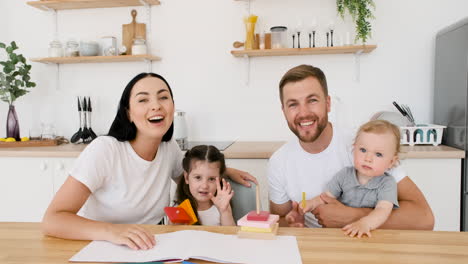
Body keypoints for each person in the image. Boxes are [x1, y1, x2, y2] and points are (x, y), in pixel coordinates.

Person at [42, 73, 256, 250]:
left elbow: (196, 173)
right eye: (143, 100)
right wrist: (112, 231)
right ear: (128, 113)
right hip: (99, 247)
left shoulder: (168, 148)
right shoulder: (105, 150)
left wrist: (227, 171)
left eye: (163, 97)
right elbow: (54, 219)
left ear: (172, 106)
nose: (156, 106)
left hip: (148, 248)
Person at [268, 64, 434, 230]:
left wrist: (351, 216)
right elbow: (280, 219)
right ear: (283, 111)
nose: (303, 113)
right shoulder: (279, 162)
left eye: (312, 100)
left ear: (328, 103)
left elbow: (424, 219)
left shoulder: (365, 145)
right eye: (293, 104)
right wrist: (292, 223)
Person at [301, 120, 400, 238]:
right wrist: (310, 203)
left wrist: (365, 223)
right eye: (363, 150)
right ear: (354, 150)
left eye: (378, 154)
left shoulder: (387, 183)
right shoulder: (344, 175)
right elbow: (325, 197)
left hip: (369, 235)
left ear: (391, 162)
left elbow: (383, 210)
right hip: (343, 233)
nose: (368, 158)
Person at [175, 145, 235, 226]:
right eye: (198, 177)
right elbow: (172, 236)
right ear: (187, 178)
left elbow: (231, 236)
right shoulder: (179, 209)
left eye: (211, 179)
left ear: (220, 179)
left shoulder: (222, 207)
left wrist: (225, 211)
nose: (204, 186)